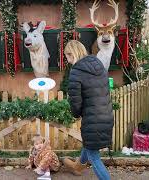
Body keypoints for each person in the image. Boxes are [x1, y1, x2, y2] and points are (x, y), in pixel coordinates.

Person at [63, 40, 113, 180]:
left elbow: (75, 100)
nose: (68, 61)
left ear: (72, 54)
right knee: (89, 144)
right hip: (106, 115)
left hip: (93, 118)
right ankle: (77, 166)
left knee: (94, 156)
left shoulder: (76, 72)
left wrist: (75, 113)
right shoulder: (99, 66)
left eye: (67, 57)